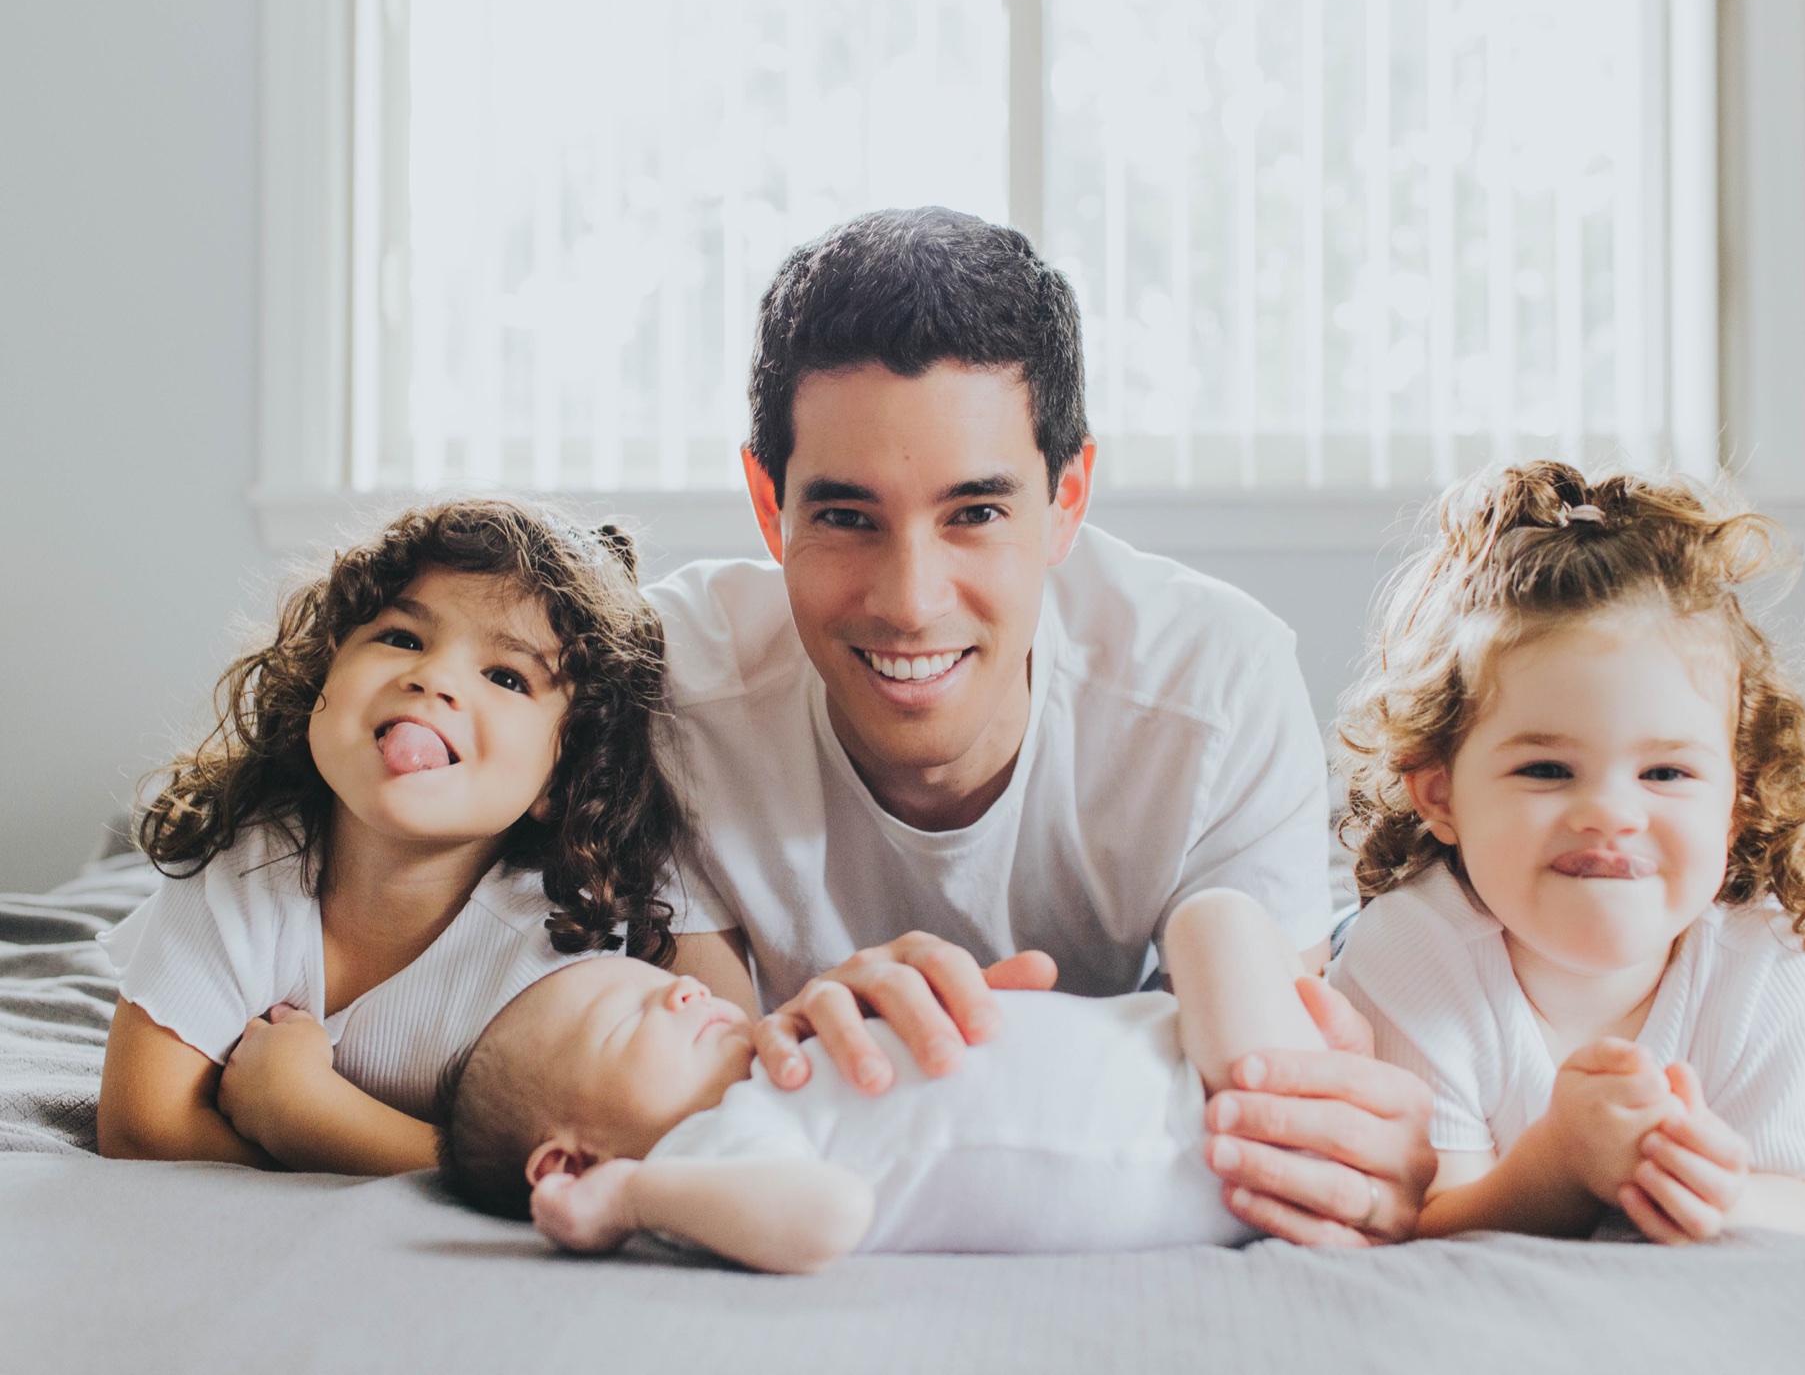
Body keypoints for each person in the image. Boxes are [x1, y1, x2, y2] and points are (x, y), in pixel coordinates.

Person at [650, 206, 1435, 1245]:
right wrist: (775, 1047)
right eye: (845, 517)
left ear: (1068, 499)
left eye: (974, 513)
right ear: (768, 506)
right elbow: (680, 1108)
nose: (910, 602)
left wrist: (1350, 1154)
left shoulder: (1215, 691)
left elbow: (1273, 1111)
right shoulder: (673, 693)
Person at [1329, 462, 1805, 1242]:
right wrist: (1560, 1163)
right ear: (1440, 794)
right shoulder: (1412, 950)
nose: (1612, 815)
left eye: (1666, 773)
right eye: (1547, 770)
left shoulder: (1762, 950)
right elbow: (1423, 1220)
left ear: (1738, 799)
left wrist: (1725, 1196)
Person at [95, 499, 688, 1175]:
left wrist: (304, 1112)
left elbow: (552, 1172)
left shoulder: (559, 947)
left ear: (565, 776)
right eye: (403, 638)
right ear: (321, 672)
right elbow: (140, 1127)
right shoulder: (246, 855)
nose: (433, 678)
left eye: (506, 677)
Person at [435, 889, 1329, 1271]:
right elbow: (829, 1216)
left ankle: (1341, 1074)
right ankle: (1335, 1096)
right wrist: (631, 1197)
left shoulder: (786, 1055)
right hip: (1211, 1126)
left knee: (1217, 920)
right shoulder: (704, 1155)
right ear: (571, 1163)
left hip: (1176, 1051)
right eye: (628, 1018)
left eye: (656, 980)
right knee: (1214, 920)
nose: (681, 990)